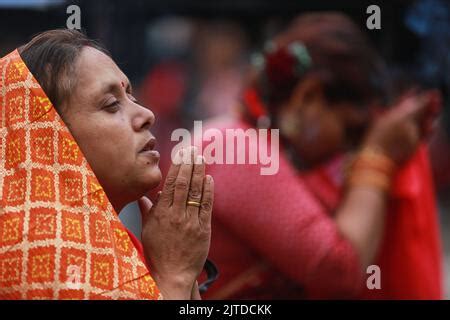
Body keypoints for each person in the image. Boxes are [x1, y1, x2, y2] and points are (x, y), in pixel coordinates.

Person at [202, 13, 443, 299]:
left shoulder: (253, 144)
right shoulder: (235, 147)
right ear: (309, 96)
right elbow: (339, 271)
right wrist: (376, 155)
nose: (345, 151)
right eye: (350, 132)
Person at [0, 29, 214, 300]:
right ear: (47, 137)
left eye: (132, 98)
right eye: (112, 104)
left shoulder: (110, 240)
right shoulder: (35, 251)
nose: (146, 115)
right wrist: (176, 275)